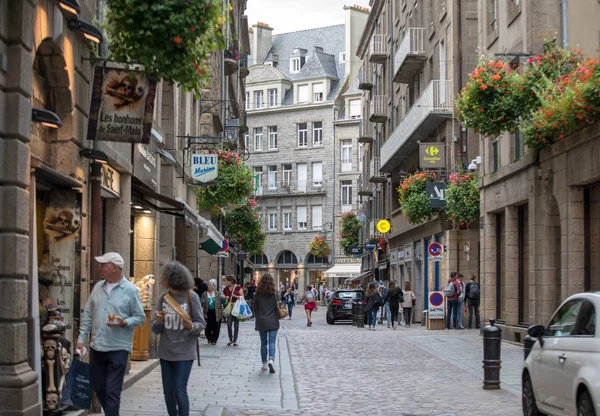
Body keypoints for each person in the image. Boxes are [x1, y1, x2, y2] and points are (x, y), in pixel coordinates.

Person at [76, 252, 146, 416]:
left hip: (118, 348)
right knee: (99, 387)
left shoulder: (130, 290)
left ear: (115, 268)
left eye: (103, 265)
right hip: (97, 347)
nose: (100, 268)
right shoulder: (98, 287)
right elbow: (88, 314)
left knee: (113, 391)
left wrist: (125, 322)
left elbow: (140, 317)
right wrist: (81, 339)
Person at [152, 262, 206, 416]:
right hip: (165, 353)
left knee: (179, 390)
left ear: (172, 278)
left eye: (163, 276)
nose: (160, 278)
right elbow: (155, 329)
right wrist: (158, 322)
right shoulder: (163, 298)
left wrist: (190, 327)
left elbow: (201, 323)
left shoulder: (191, 296)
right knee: (168, 393)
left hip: (184, 352)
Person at [253, 273, 280, 373]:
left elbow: (255, 308)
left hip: (261, 320)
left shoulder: (258, 293)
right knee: (272, 342)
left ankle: (264, 364)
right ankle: (271, 360)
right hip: (273, 320)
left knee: (263, 343)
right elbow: (280, 304)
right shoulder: (275, 292)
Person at [223, 275, 244, 346]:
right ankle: (230, 338)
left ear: (231, 281)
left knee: (236, 324)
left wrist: (235, 296)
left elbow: (242, 297)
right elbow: (223, 296)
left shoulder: (238, 287)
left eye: (227, 281)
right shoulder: (226, 289)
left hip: (236, 306)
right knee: (229, 324)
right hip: (229, 306)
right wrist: (224, 297)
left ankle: (235, 340)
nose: (226, 282)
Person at [201, 279, 223, 345]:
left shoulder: (218, 294)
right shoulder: (204, 294)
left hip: (217, 312)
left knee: (216, 326)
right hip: (208, 312)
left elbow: (223, 301)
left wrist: (224, 299)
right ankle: (209, 338)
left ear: (214, 286)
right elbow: (201, 301)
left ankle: (214, 340)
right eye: (208, 285)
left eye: (210, 285)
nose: (209, 286)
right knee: (208, 327)